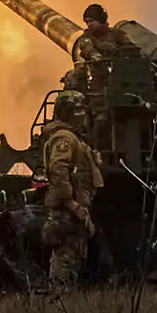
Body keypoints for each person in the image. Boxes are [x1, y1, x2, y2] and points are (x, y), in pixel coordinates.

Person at [39, 91, 104, 287]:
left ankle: (65, 297)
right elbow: (58, 169)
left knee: (74, 251)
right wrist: (71, 203)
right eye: (78, 109)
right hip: (68, 208)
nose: (83, 113)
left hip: (76, 205)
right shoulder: (64, 137)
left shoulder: (74, 137)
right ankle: (60, 298)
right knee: (65, 253)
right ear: (67, 112)